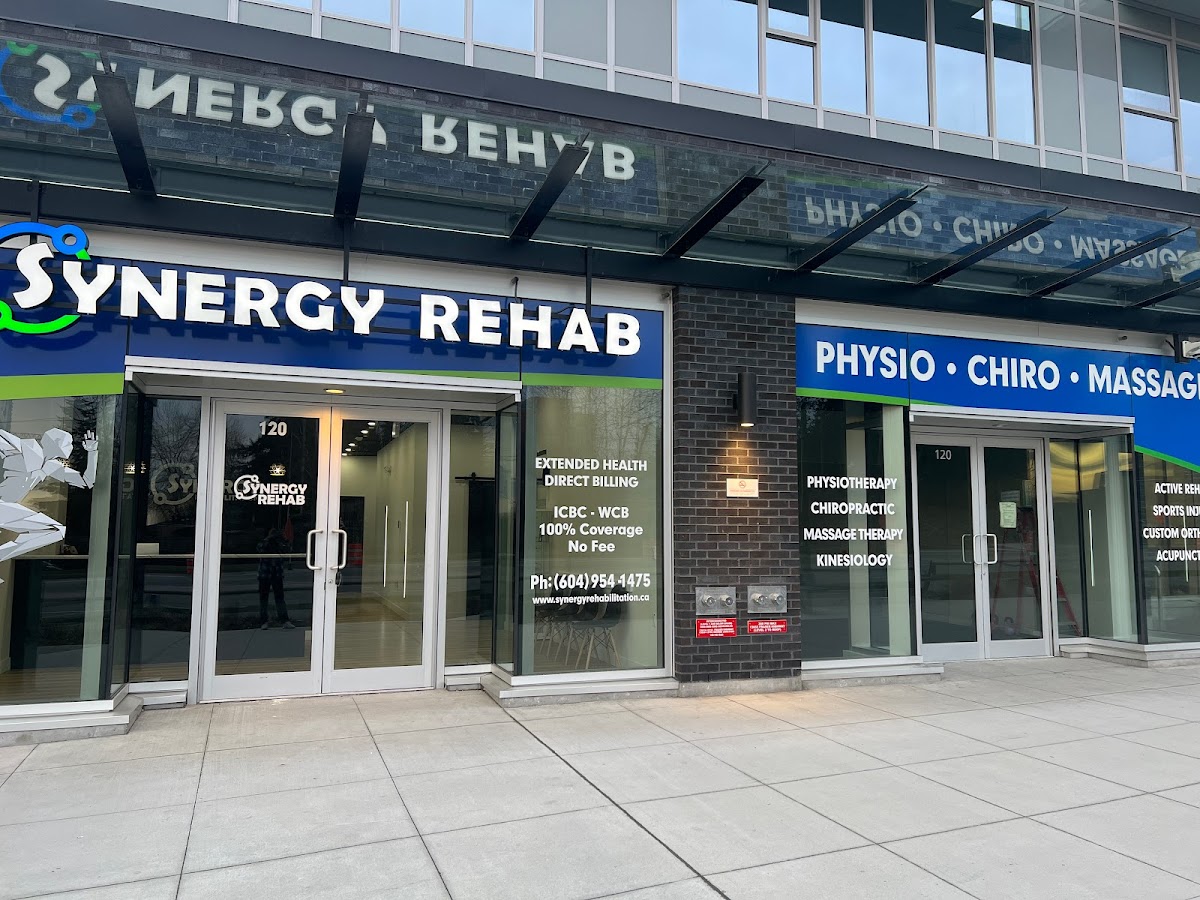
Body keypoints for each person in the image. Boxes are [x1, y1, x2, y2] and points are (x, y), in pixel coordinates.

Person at [0, 428, 97, 583]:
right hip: (3, 504)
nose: (71, 447)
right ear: (56, 443)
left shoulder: (50, 466)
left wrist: (92, 453)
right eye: (68, 443)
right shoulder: (24, 448)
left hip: (7, 508)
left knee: (54, 530)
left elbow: (87, 482)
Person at [257, 525, 293, 629]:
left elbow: (287, 549)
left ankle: (284, 620)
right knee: (264, 598)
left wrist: (283, 539)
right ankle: (264, 621)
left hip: (276, 573)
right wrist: (269, 538)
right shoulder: (265, 542)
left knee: (279, 597)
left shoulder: (279, 542)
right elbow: (259, 548)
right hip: (265, 573)